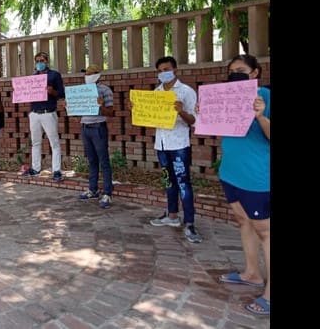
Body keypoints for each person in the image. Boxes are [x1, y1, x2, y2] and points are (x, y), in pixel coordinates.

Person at [212, 54, 270, 316]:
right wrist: (208, 115)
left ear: (255, 73)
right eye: (231, 71)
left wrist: (260, 116)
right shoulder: (227, 96)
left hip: (257, 177)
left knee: (266, 232)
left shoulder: (266, 97)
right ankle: (251, 273)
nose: (235, 74)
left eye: (241, 70)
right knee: (243, 221)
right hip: (231, 173)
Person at [131, 56, 202, 243]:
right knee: (168, 181)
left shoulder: (186, 92)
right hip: (161, 144)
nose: (164, 73)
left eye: (167, 69)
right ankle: (171, 216)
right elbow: (150, 118)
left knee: (183, 183)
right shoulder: (157, 92)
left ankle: (190, 223)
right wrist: (138, 109)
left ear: (175, 69)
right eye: (160, 70)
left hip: (179, 145)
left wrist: (181, 111)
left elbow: (194, 121)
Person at [73, 65, 115, 208]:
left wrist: (101, 106)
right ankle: (93, 189)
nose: (88, 76)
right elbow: (79, 110)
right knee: (91, 160)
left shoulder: (105, 90)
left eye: (90, 73)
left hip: (98, 127)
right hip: (85, 127)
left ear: (98, 75)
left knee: (103, 161)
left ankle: (108, 193)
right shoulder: (82, 90)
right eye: (86, 73)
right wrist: (70, 106)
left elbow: (110, 112)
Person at [22, 52, 66, 181]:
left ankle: (56, 170)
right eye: (37, 61)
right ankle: (35, 168)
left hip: (48, 112)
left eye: (42, 60)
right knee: (35, 142)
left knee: (54, 143)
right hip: (34, 113)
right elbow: (26, 93)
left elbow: (61, 94)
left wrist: (53, 92)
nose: (39, 63)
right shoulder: (33, 77)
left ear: (47, 61)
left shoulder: (54, 75)